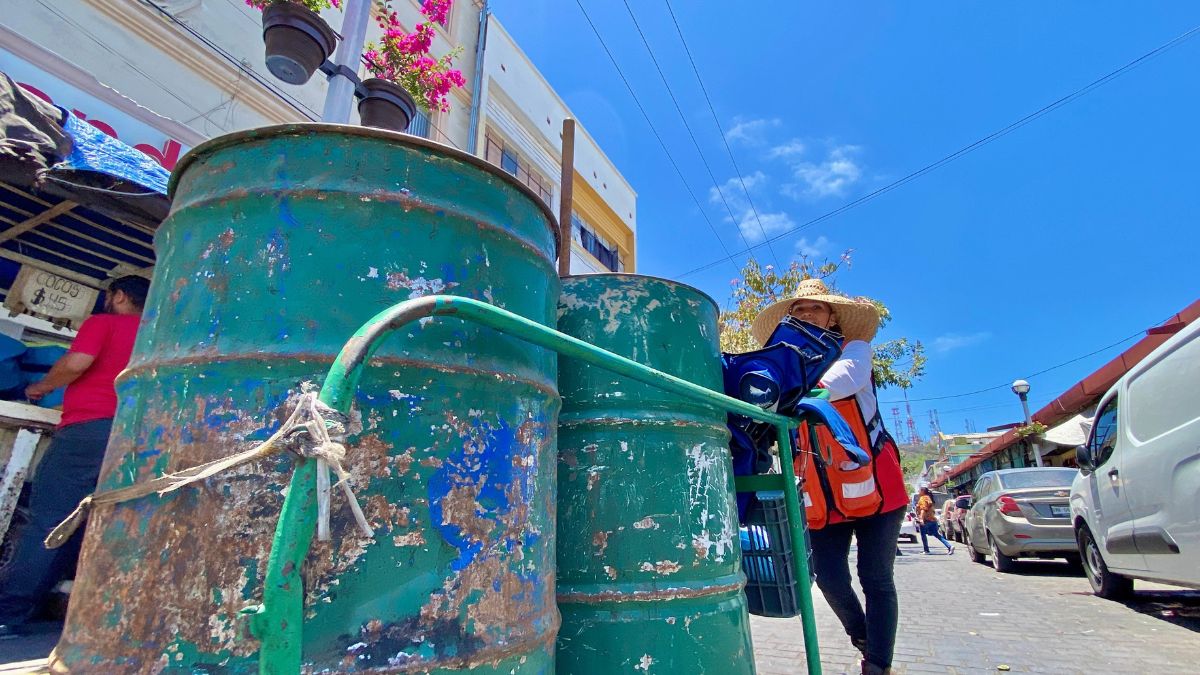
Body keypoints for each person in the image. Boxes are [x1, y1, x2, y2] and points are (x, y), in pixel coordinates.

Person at [750, 279, 909, 675]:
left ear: (832, 317)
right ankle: (864, 637)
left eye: (815, 309)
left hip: (877, 486)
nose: (806, 316)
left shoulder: (853, 351)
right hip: (820, 496)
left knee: (876, 578)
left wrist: (793, 394)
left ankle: (877, 666)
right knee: (828, 577)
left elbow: (843, 380)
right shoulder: (782, 368)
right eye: (799, 311)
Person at [0, 275, 150, 638]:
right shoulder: (157, 336)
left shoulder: (105, 323)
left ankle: (9, 613)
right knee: (95, 524)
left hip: (89, 431)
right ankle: (70, 611)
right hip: (137, 437)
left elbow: (77, 362)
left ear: (118, 296)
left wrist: (42, 386)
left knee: (50, 520)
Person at [917, 487, 954, 555]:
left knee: (923, 535)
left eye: (919, 490)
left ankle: (926, 550)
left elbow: (923, 509)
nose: (918, 491)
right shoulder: (928, 498)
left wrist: (921, 519)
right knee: (937, 535)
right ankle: (949, 546)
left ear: (922, 491)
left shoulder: (923, 498)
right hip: (933, 520)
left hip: (926, 520)